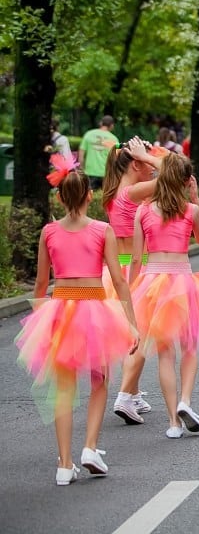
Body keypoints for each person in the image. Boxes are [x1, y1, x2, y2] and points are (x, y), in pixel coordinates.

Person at [15, 155, 139, 485]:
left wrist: (42, 321)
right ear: (89, 196)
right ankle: (90, 448)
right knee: (99, 381)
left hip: (59, 309)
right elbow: (120, 279)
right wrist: (130, 321)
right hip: (95, 308)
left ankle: (64, 464)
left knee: (63, 389)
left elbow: (41, 284)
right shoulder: (102, 230)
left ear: (60, 196)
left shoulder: (49, 231)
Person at [128, 153, 199, 438]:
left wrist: (131, 295)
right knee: (190, 347)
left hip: (150, 282)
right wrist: (195, 198)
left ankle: (173, 422)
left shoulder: (144, 210)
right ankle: (186, 401)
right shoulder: (190, 210)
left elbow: (137, 259)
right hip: (182, 281)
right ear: (187, 181)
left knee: (164, 354)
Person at [102, 137, 163, 425]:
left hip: (117, 269)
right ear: (136, 164)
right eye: (145, 161)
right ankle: (125, 396)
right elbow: (178, 174)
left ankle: (134, 393)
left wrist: (145, 156)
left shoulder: (114, 192)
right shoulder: (134, 191)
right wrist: (151, 157)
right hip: (137, 270)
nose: (151, 166)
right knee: (142, 336)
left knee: (133, 333)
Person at [78, 115, 120, 190]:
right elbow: (116, 159)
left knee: (89, 197)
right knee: (105, 198)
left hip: (90, 172)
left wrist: (82, 169)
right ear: (112, 125)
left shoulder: (89, 134)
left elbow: (81, 155)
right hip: (106, 174)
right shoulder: (114, 139)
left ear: (101, 123)